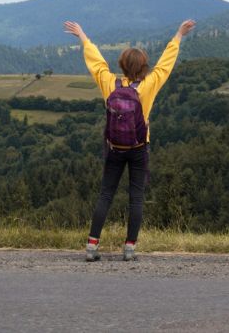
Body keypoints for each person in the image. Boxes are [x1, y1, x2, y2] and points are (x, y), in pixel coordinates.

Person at [63, 17, 195, 262]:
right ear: (144, 66)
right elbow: (165, 65)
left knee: (105, 195)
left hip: (114, 148)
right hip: (138, 148)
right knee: (136, 197)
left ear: (122, 65)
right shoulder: (149, 84)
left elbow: (96, 62)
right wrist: (178, 35)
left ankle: (92, 247)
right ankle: (130, 248)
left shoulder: (109, 83)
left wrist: (83, 37)